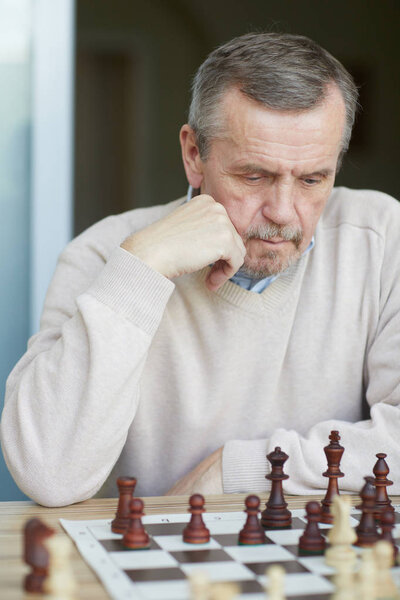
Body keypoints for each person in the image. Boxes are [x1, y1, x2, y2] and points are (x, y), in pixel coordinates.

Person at [2, 32, 400, 507]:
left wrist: (240, 469)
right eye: (254, 176)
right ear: (194, 154)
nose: (282, 210)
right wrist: (140, 272)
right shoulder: (101, 255)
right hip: (146, 572)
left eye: (313, 179)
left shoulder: (384, 240)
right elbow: (49, 474)